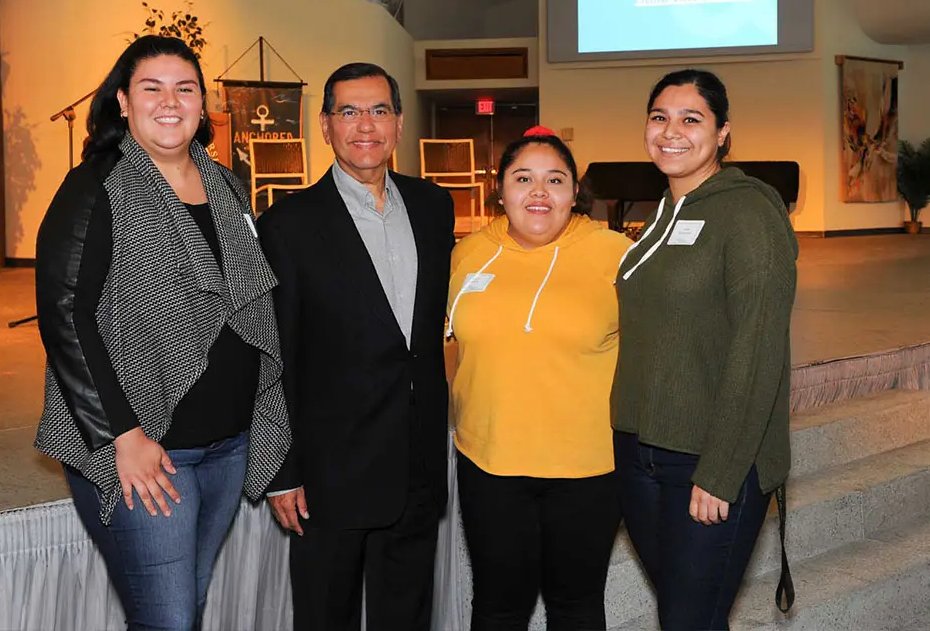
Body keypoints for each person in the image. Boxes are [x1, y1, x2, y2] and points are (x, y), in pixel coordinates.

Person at [34, 35, 291, 631]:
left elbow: (250, 303)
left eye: (185, 88)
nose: (169, 102)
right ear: (123, 101)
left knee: (185, 610)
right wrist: (122, 434)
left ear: (203, 104)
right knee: (170, 621)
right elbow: (65, 317)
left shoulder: (227, 184)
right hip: (147, 449)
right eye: (152, 88)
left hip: (228, 445)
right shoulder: (96, 186)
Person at [256, 62, 455, 631]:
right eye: (348, 111)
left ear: (398, 123)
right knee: (325, 618)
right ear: (324, 125)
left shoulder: (433, 208)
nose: (364, 125)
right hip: (328, 474)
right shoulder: (287, 224)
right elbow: (273, 355)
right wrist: (281, 468)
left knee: (407, 617)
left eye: (378, 110)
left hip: (415, 463)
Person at [612, 69, 798, 630]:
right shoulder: (658, 216)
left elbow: (758, 348)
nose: (672, 131)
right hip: (640, 453)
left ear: (722, 134)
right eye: (659, 117)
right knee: (684, 614)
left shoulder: (748, 212)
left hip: (710, 459)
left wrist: (720, 470)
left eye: (691, 119)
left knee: (689, 621)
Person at [446, 128, 631, 630]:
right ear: (500, 189)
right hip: (490, 463)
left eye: (555, 180)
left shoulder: (617, 255)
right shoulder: (466, 255)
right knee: (498, 606)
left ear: (576, 193)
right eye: (523, 178)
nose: (539, 192)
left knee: (576, 605)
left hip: (587, 468)